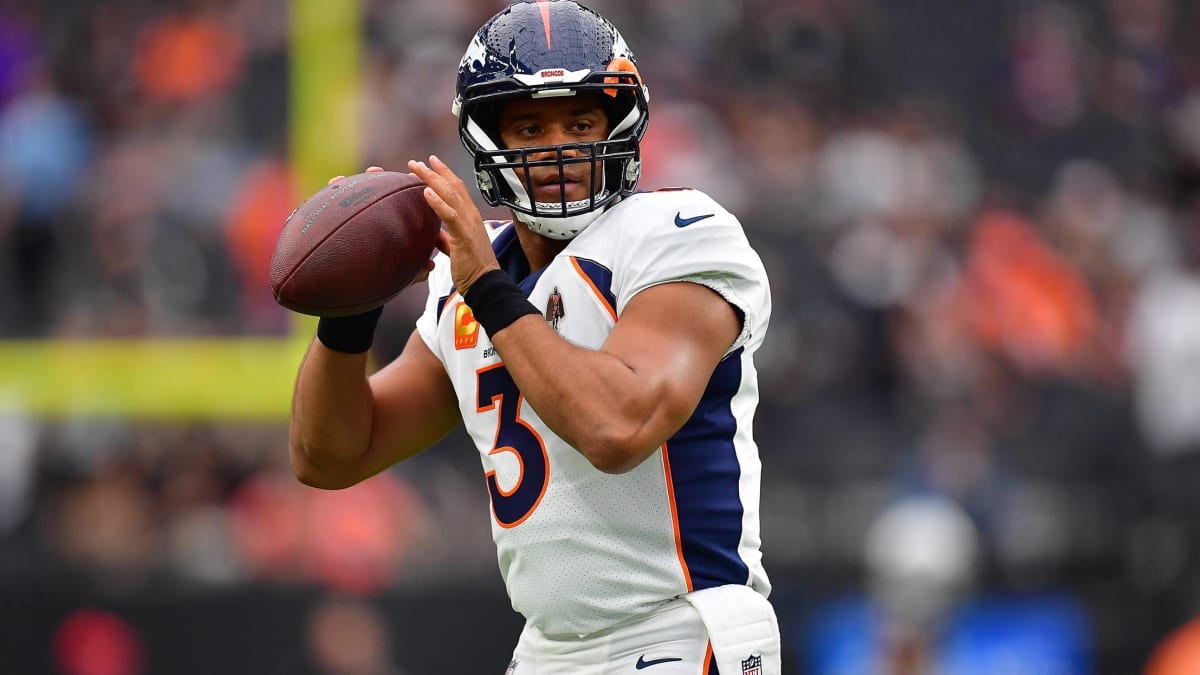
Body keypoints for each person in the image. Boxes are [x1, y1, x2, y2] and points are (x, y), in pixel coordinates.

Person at [287, 1, 779, 673]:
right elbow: (331, 454)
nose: (559, 148)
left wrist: (489, 289)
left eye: (580, 122)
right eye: (529, 126)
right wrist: (352, 309)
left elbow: (617, 427)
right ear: (489, 141)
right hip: (550, 646)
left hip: (681, 625)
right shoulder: (469, 279)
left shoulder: (678, 233)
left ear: (621, 125)